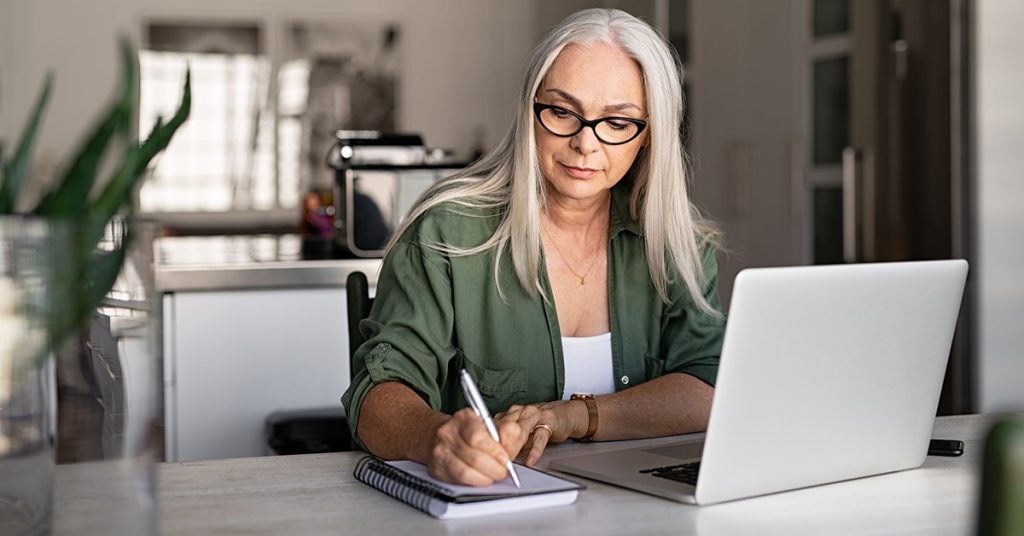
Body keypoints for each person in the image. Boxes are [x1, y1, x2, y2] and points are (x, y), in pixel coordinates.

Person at [341, 8, 725, 487]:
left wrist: (572, 416)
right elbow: (377, 395)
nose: (586, 143)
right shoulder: (446, 231)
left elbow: (708, 386)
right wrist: (434, 437)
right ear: (530, 111)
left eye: (617, 122)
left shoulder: (676, 240)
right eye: (563, 112)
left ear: (648, 136)